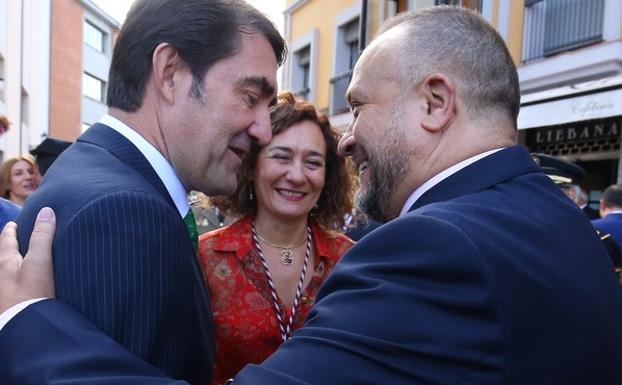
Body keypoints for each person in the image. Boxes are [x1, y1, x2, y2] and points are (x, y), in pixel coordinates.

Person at [1, 6, 622, 385]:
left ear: (436, 104)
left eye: (358, 107)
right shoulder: (560, 223)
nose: (347, 139)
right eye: (251, 97)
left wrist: (25, 323)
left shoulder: (435, 248)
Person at [0, 0, 285, 383]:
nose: (263, 131)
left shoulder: (94, 169)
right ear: (170, 73)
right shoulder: (125, 214)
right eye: (251, 97)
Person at [201, 92, 354, 385]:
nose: (296, 175)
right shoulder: (205, 257)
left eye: (312, 162)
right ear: (251, 166)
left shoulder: (351, 261)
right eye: (281, 157)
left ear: (328, 175)